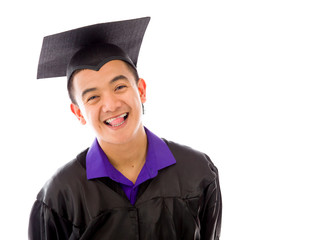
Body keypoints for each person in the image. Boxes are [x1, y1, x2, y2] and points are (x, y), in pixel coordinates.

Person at [29, 17, 222, 240]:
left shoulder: (197, 172)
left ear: (141, 91)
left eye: (119, 87)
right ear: (79, 112)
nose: (111, 105)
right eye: (93, 97)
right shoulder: (60, 195)